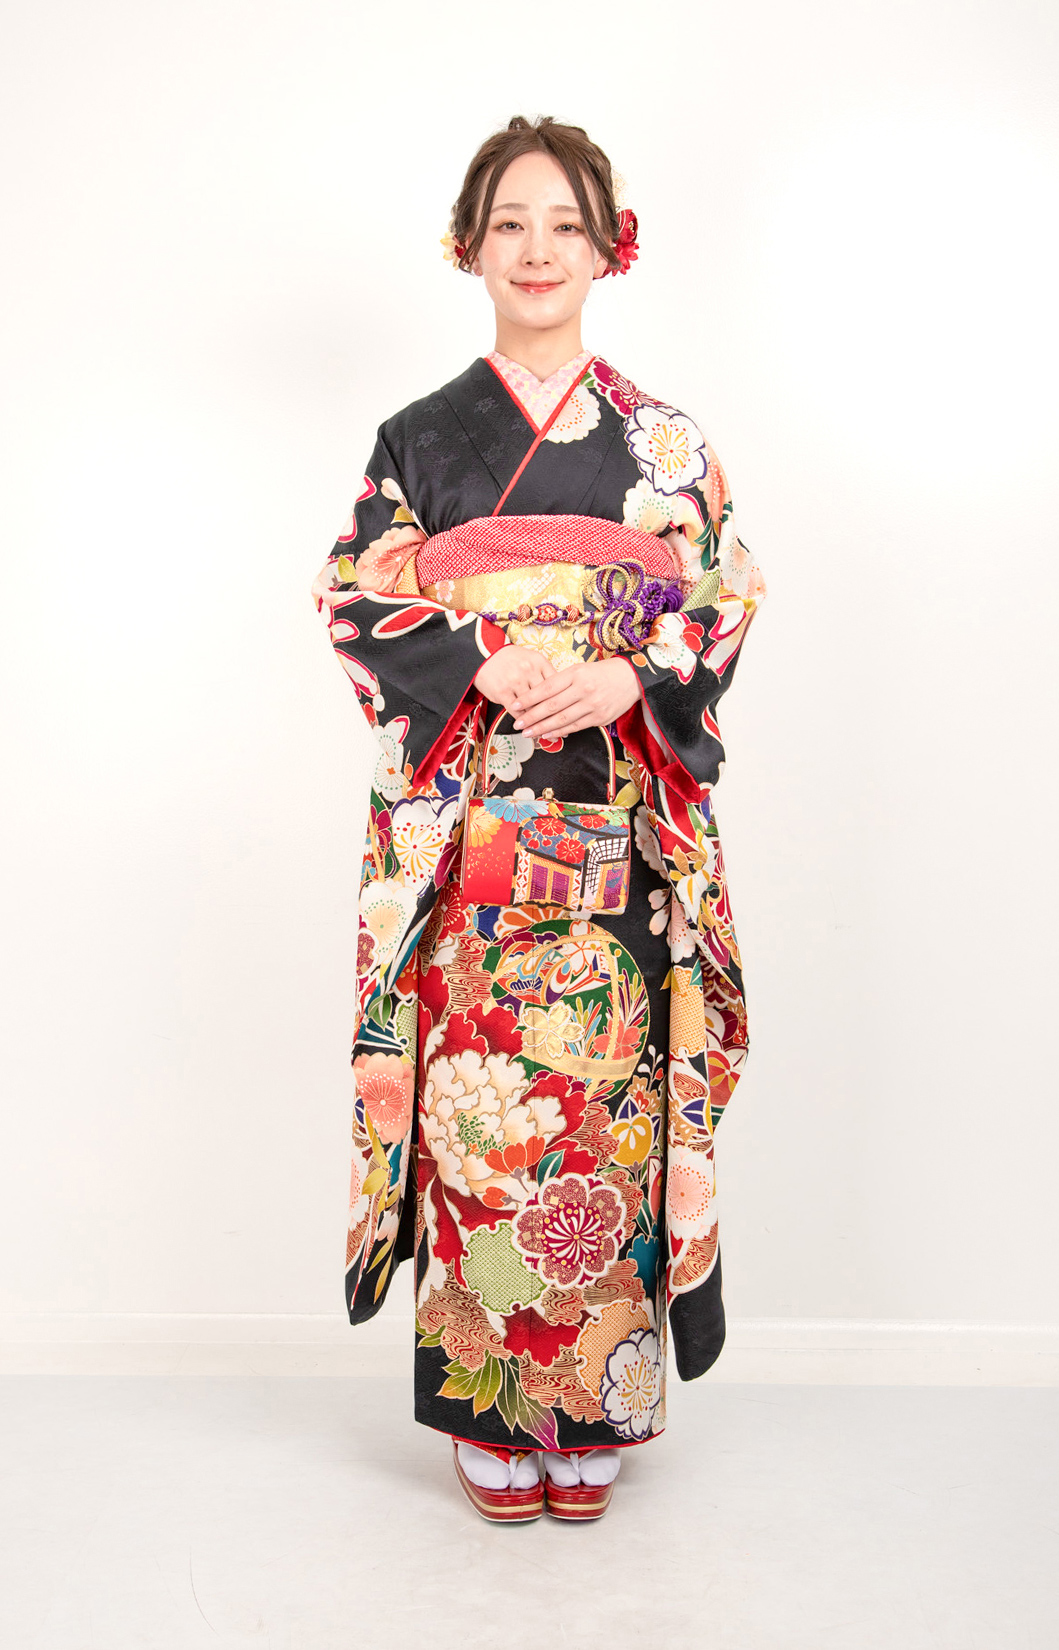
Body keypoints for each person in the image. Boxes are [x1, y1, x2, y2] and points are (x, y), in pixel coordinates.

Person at [312, 115, 765, 1523]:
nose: (537, 248)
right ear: (469, 245)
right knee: (480, 1106)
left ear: (608, 246)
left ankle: (599, 1403)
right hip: (477, 826)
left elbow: (726, 589)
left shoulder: (664, 443)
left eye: (565, 222)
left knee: (606, 1098)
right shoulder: (419, 440)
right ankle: (491, 1404)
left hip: (615, 820)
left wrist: (633, 674)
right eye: (509, 221)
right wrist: (476, 661)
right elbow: (354, 593)